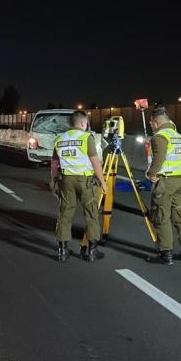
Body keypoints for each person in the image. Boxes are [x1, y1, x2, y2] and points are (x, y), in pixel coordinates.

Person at [51, 110, 108, 262]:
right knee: (91, 214)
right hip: (85, 180)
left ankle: (62, 252)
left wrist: (54, 180)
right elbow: (95, 161)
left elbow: (54, 163)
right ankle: (91, 252)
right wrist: (103, 182)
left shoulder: (59, 139)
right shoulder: (86, 137)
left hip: (66, 180)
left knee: (65, 213)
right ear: (83, 123)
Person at [145, 107, 181, 265]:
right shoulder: (179, 136)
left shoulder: (160, 136)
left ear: (156, 122)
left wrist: (151, 174)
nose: (151, 126)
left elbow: (159, 159)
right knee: (179, 215)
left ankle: (166, 254)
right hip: (179, 179)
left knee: (161, 216)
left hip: (166, 181)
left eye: (151, 123)